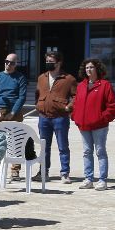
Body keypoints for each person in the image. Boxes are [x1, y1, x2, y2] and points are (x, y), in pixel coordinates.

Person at [73, 58, 115, 191]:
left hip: (100, 126)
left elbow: (112, 106)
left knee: (100, 151)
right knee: (87, 152)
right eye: (87, 68)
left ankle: (102, 180)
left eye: (91, 67)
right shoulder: (81, 86)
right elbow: (76, 103)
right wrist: (75, 117)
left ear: (97, 69)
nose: (89, 70)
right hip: (84, 125)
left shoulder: (105, 85)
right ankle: (88, 179)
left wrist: (102, 118)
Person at [36, 50, 77, 184]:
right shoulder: (41, 78)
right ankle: (43, 172)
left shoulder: (69, 79)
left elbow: (76, 97)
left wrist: (68, 107)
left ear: (59, 63)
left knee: (63, 146)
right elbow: (38, 94)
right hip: (44, 117)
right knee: (44, 147)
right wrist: (39, 106)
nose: (48, 64)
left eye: (51, 62)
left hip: (60, 117)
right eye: (47, 61)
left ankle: (65, 173)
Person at [0, 52, 29, 121]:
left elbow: (22, 97)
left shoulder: (21, 78)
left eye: (12, 63)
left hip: (15, 112)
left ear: (16, 64)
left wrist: (13, 112)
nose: (9, 64)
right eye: (7, 61)